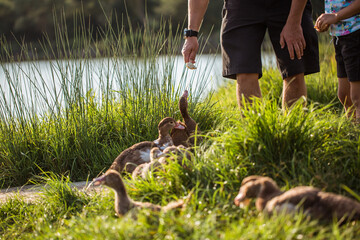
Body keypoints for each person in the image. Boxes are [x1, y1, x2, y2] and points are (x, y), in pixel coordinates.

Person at [182, 0, 320, 109]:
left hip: (287, 4)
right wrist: (191, 34)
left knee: (294, 70)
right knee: (243, 71)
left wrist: (294, 23)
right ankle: (256, 139)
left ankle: (294, 137)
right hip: (241, 6)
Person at [315, 0, 360, 120]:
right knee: (344, 95)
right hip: (339, 37)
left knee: (357, 97)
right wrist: (326, 20)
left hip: (356, 33)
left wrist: (336, 17)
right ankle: (353, 134)